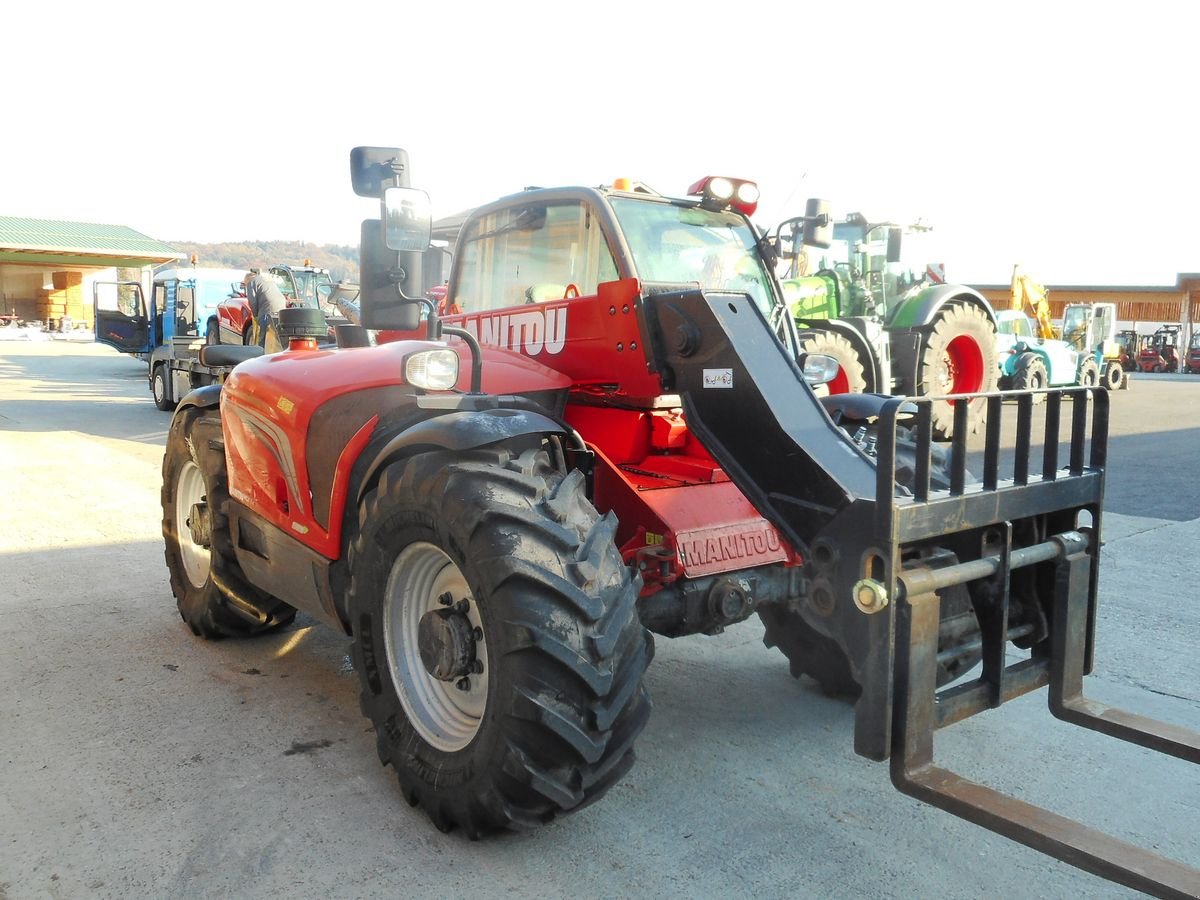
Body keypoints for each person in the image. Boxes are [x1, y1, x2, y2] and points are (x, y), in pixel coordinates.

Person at [243, 272, 288, 349]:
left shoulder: (251, 282)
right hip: (281, 304)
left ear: (246, 280)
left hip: (268, 307)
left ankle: (261, 352)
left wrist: (256, 316)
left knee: (262, 333)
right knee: (277, 333)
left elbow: (252, 301)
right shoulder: (266, 280)